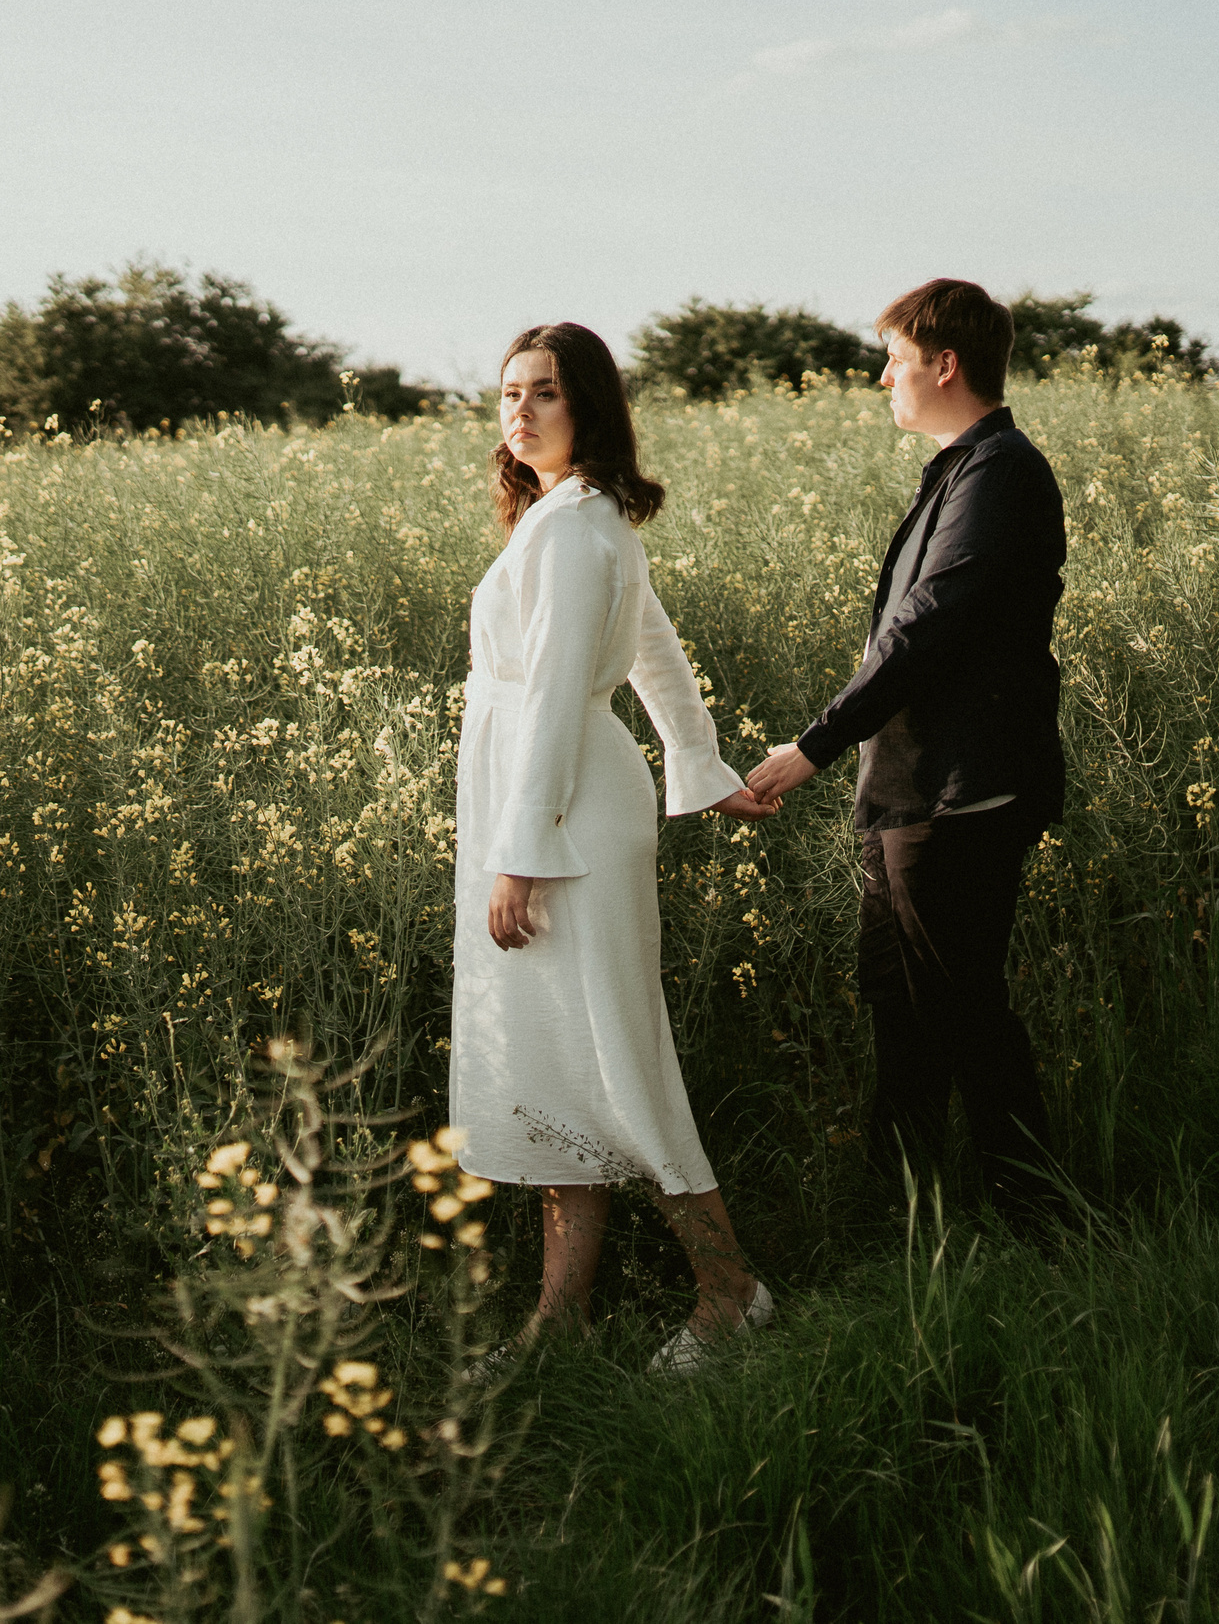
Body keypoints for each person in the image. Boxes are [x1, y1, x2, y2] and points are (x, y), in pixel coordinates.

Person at [450, 321, 780, 1373]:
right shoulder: (571, 521)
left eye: (543, 392)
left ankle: (731, 1291)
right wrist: (699, 763)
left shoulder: (578, 529)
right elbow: (655, 645)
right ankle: (558, 1324)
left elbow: (554, 694)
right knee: (555, 1064)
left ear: (587, 405)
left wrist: (523, 849)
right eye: (508, 394)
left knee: (615, 1056)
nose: (520, 411)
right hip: (549, 804)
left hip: (562, 815)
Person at [744, 279, 1067, 1223]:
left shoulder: (1001, 470)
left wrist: (815, 744)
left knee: (963, 1008)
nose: (884, 374)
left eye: (895, 356)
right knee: (901, 1004)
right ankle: (899, 1217)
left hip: (965, 790)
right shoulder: (959, 469)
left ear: (945, 363)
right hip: (911, 788)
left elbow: (926, 625)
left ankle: (1043, 1218)